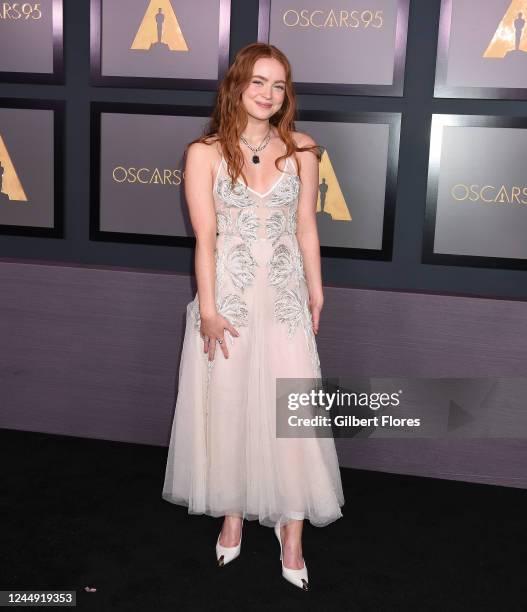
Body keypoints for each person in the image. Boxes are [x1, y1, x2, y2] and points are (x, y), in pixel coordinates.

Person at [162, 42, 345, 591]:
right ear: (237, 85)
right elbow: (206, 237)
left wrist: (316, 291)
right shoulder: (206, 152)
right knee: (231, 403)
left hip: (286, 298)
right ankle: (233, 513)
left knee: (292, 408)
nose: (268, 94)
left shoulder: (303, 149)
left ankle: (292, 532)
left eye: (279, 84)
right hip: (232, 301)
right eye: (258, 82)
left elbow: (307, 226)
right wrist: (210, 311)